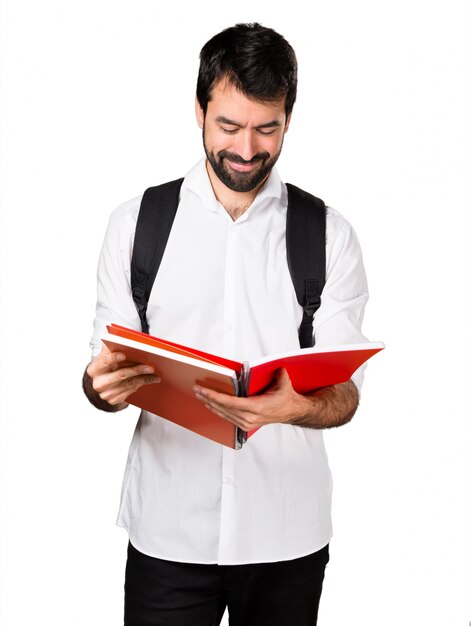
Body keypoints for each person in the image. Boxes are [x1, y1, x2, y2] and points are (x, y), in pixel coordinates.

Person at [83, 22, 369, 626]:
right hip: (168, 533)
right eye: (229, 126)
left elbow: (344, 394)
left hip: (288, 534)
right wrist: (101, 388)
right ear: (198, 110)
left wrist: (294, 409)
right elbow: (103, 367)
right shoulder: (137, 224)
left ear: (289, 118)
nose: (246, 149)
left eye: (266, 128)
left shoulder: (329, 235)